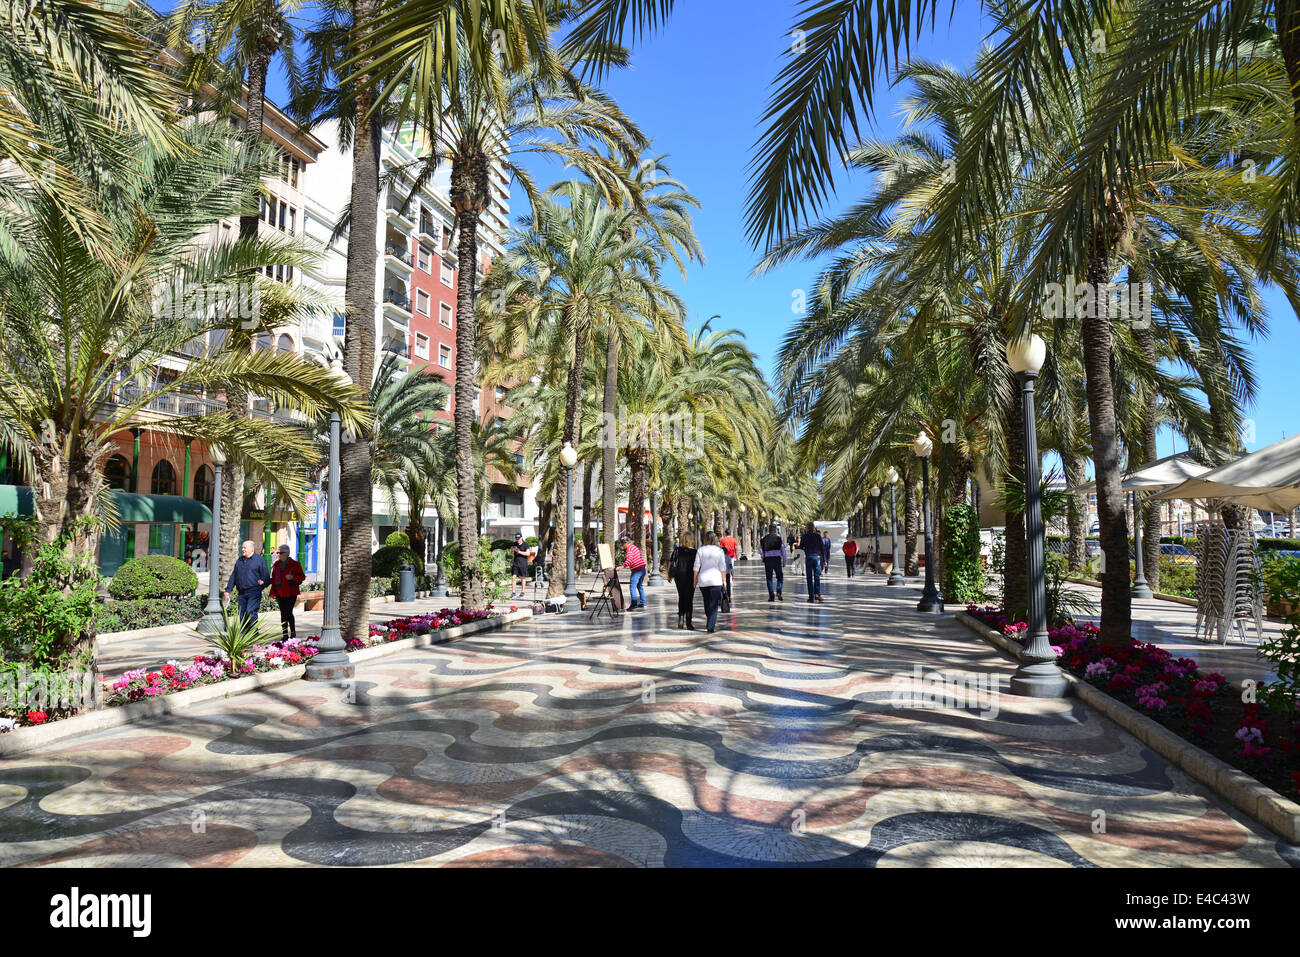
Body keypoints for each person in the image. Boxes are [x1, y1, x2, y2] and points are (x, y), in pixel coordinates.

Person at [224, 540, 270, 626]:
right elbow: (233, 576)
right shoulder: (239, 561)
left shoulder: (260, 560)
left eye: (245, 547)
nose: (242, 549)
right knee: (242, 615)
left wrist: (261, 586)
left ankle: (253, 633)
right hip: (241, 593)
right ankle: (244, 634)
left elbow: (266, 578)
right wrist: (228, 590)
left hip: (254, 592)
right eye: (242, 547)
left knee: (251, 611)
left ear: (251, 549)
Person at [693, 530, 728, 633]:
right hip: (716, 580)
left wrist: (694, 579)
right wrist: (724, 581)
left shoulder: (701, 550)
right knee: (713, 603)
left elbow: (696, 566)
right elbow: (722, 567)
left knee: (706, 601)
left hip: (703, 580)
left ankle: (710, 621)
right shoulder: (719, 551)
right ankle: (710, 625)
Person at [270, 544, 305, 640]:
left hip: (291, 592)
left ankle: (293, 632)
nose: (278, 554)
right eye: (278, 553)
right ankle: (285, 634)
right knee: (283, 613)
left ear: (286, 553)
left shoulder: (295, 564)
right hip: (280, 592)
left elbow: (302, 577)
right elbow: (273, 578)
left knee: (288, 612)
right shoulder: (276, 565)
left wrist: (292, 577)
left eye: (280, 553)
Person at [668, 532, 698, 629]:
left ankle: (681, 619)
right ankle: (689, 622)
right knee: (689, 599)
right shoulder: (695, 552)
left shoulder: (677, 550)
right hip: (690, 577)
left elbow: (671, 563)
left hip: (679, 576)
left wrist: (670, 575)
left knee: (681, 597)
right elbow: (697, 567)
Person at [759, 523, 786, 601]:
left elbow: (761, 550)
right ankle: (779, 591)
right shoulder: (779, 538)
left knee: (769, 578)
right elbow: (783, 550)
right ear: (775, 530)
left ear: (769, 530)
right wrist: (784, 561)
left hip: (768, 560)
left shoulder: (764, 539)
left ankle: (771, 596)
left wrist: (763, 558)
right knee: (780, 577)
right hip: (777, 559)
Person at [620, 535, 647, 609]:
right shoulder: (634, 547)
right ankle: (643, 602)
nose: (622, 546)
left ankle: (634, 604)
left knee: (632, 587)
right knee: (639, 586)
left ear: (625, 543)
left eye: (622, 544)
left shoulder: (629, 549)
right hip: (642, 569)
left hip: (637, 570)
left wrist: (622, 566)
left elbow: (629, 560)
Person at [800, 522, 823, 603]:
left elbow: (801, 547)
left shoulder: (804, 536)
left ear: (807, 528)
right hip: (817, 558)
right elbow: (822, 547)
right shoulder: (818, 536)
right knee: (817, 577)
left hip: (809, 557)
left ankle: (811, 597)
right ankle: (817, 594)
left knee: (809, 578)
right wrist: (824, 560)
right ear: (813, 528)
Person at [718, 528, 739, 601]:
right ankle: (730, 579)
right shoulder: (734, 539)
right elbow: (736, 548)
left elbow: (721, 548)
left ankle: (722, 596)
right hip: (731, 557)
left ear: (725, 533)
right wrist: (737, 556)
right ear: (730, 533)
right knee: (730, 568)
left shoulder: (723, 540)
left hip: (723, 556)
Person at [510, 533, 531, 598]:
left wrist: (519, 552)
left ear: (521, 538)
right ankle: (513, 592)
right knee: (513, 577)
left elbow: (528, 553)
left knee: (523, 578)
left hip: (523, 563)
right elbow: (512, 554)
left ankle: (522, 592)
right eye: (516, 538)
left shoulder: (525, 544)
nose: (517, 540)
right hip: (516, 563)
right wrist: (512, 551)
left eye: (518, 538)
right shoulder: (514, 544)